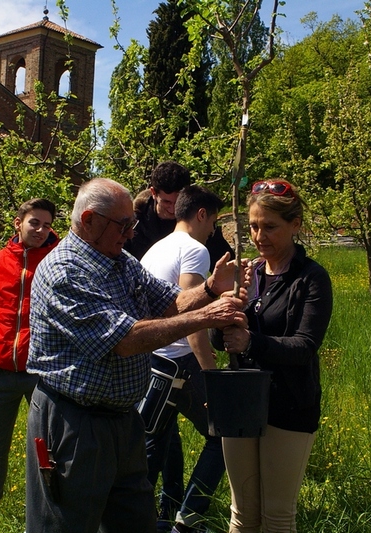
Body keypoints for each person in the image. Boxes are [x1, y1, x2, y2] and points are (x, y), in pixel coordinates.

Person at [25, 178, 249, 533]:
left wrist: (209, 289)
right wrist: (208, 316)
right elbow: (125, 339)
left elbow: (170, 301)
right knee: (67, 522)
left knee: (133, 520)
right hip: (74, 422)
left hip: (123, 420)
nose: (132, 232)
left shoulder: (120, 261)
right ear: (89, 220)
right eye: (124, 224)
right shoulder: (65, 272)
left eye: (133, 223)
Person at [212, 179, 333, 533]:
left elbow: (304, 346)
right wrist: (226, 307)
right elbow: (221, 342)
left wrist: (251, 341)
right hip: (240, 402)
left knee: (277, 516)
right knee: (242, 514)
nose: (259, 236)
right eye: (253, 226)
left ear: (295, 225)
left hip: (289, 404)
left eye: (270, 227)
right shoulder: (246, 275)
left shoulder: (310, 279)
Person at [126, 160, 234, 524]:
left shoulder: (157, 248)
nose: (214, 229)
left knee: (152, 447)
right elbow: (191, 319)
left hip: (153, 361)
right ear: (202, 214)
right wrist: (211, 372)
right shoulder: (195, 250)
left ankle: (143, 518)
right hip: (181, 362)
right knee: (226, 434)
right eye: (215, 221)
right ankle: (188, 520)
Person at [0, 199, 60, 532]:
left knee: (45, 445)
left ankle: (49, 510)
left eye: (47, 225)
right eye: (34, 222)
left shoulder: (58, 260)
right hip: (1, 369)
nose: (41, 230)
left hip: (40, 373)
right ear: (17, 223)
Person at [125, 160, 233, 263]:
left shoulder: (198, 220)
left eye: (177, 202)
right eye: (166, 202)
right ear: (153, 192)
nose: (172, 209)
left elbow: (226, 263)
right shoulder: (134, 224)